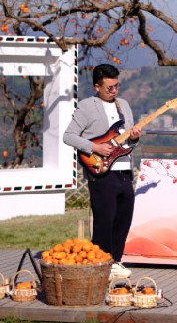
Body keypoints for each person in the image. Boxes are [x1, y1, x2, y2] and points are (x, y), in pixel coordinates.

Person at [63, 63, 142, 281]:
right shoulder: (87, 106)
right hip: (101, 172)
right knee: (104, 220)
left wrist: (134, 136)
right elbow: (68, 136)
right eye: (109, 88)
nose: (115, 91)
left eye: (117, 86)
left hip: (124, 169)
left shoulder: (124, 105)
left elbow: (127, 141)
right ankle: (100, 262)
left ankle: (115, 261)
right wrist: (95, 147)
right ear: (97, 87)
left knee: (123, 218)